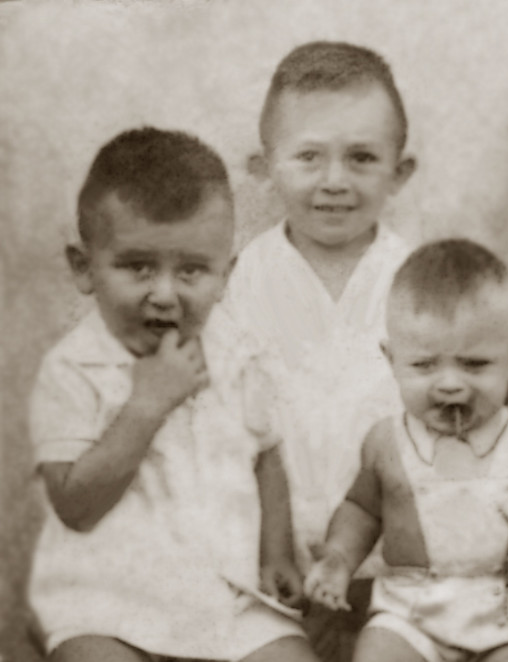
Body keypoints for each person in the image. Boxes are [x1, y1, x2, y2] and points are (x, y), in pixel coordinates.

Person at [28, 127, 317, 662]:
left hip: (226, 591)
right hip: (104, 601)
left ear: (225, 276)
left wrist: (275, 552)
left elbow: (267, 454)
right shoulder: (75, 368)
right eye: (138, 266)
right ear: (84, 268)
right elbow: (74, 504)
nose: (164, 294)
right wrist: (144, 408)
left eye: (191, 270)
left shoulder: (237, 353)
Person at [304, 239, 508, 662]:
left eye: (474, 364)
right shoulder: (387, 440)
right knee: (378, 653)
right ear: (391, 359)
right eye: (424, 366)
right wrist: (338, 557)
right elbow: (361, 510)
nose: (449, 384)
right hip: (412, 613)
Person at [219, 41, 417, 659]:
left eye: (361, 157)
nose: (335, 181)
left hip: (394, 573)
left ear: (399, 171)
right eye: (309, 157)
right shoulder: (240, 281)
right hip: (269, 565)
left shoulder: (420, 281)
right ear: (264, 166)